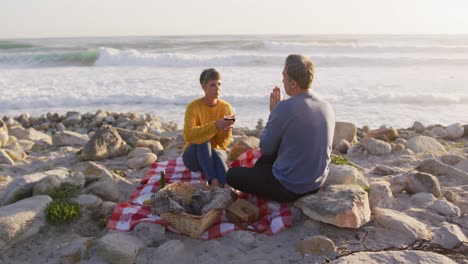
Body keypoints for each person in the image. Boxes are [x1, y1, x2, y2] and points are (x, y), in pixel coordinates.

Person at [226, 54, 335, 203]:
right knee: (274, 152)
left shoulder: (285, 107)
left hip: (290, 188)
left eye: (284, 76)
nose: (282, 80)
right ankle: (259, 174)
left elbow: (266, 148)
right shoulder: (326, 105)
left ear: (293, 84)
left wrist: (274, 114)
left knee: (232, 175)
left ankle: (259, 179)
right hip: (316, 182)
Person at [182, 68, 235, 188]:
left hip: (216, 153)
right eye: (213, 85)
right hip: (193, 157)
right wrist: (215, 125)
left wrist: (227, 131)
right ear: (203, 87)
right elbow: (188, 135)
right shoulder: (193, 107)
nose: (217, 88)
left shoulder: (226, 107)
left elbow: (224, 143)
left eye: (219, 84)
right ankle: (215, 181)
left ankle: (227, 185)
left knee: (216, 152)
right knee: (203, 138)